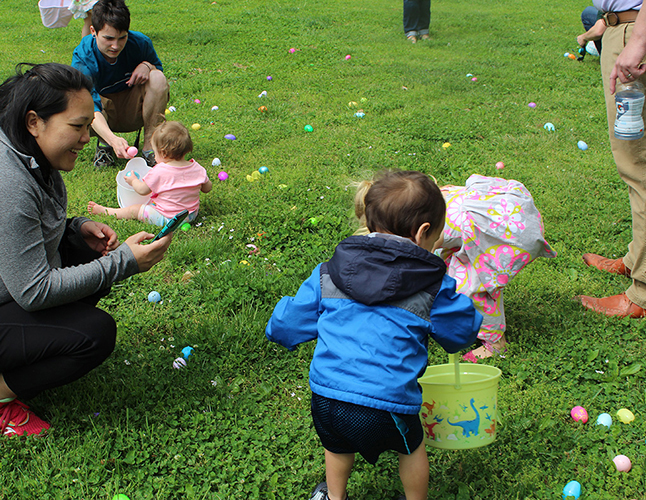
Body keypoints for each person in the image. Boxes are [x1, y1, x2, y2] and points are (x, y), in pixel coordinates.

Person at [0, 63, 173, 437]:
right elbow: (34, 291)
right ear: (33, 122)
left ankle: (2, 361)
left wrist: (75, 228)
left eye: (87, 125)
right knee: (94, 334)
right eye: (76, 127)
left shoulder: (17, 148)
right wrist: (123, 262)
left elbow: (14, 229)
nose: (85, 138)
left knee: (86, 255)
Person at [266, 170, 482, 500]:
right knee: (411, 448)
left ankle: (333, 497)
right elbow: (462, 333)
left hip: (327, 398)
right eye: (439, 235)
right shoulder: (432, 286)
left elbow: (284, 326)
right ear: (423, 233)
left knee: (337, 447)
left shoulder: (329, 273)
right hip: (389, 405)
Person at [355, 174, 556, 361]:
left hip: (503, 230)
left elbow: (416, 268)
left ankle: (496, 342)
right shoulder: (422, 204)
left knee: (469, 286)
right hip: (494, 208)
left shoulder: (436, 230)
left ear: (417, 233)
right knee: (445, 268)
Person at [577, 3, 646, 318]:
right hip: (625, 28)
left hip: (637, 35)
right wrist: (609, 23)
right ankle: (636, 260)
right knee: (635, 167)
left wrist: (638, 41)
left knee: (639, 168)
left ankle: (642, 292)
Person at [72, 0, 169, 167]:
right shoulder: (83, 57)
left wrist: (147, 66)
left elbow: (158, 73)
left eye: (122, 37)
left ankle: (149, 149)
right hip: (100, 115)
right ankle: (105, 146)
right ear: (93, 31)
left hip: (131, 109)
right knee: (83, 102)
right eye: (108, 38)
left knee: (157, 78)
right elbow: (91, 107)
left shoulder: (140, 43)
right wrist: (113, 140)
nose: (115, 46)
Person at [87, 121, 212, 226]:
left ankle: (105, 211)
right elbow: (207, 188)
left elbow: (142, 190)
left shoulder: (160, 171)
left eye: (155, 152)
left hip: (168, 219)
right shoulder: (197, 168)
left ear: (163, 153)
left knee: (135, 209)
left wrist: (133, 181)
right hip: (190, 215)